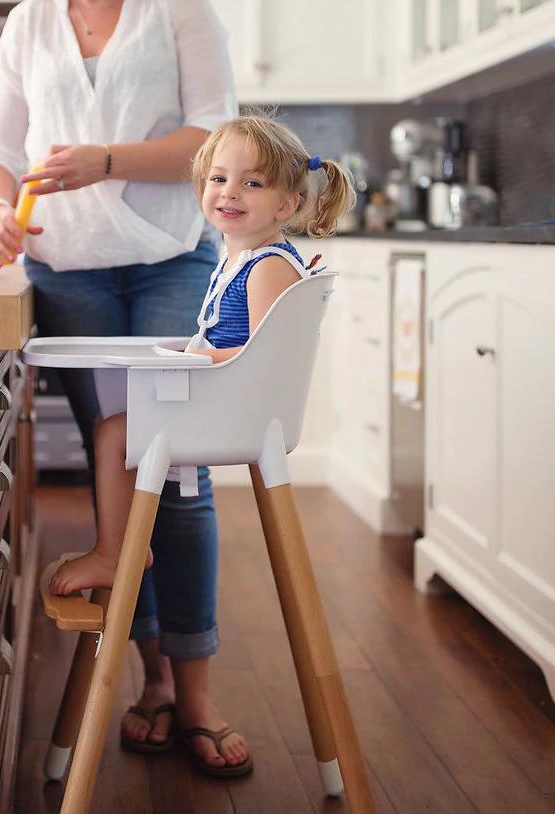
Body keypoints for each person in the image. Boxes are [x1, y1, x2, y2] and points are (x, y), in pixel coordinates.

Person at [0, 0, 240, 773]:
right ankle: (153, 684)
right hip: (69, 270)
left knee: (179, 469)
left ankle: (198, 700)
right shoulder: (28, 22)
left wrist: (108, 158)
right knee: (117, 463)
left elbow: (214, 139)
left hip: (167, 256)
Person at [48, 113, 356, 777]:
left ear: (288, 202)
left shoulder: (268, 263)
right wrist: (188, 352)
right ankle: (120, 556)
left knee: (112, 430)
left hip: (230, 408)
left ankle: (113, 551)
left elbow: (257, 354)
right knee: (116, 428)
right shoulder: (236, 256)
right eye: (217, 177)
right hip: (218, 399)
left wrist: (200, 360)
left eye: (250, 181)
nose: (227, 191)